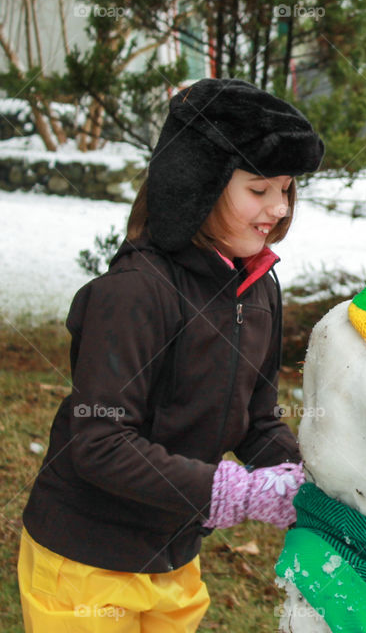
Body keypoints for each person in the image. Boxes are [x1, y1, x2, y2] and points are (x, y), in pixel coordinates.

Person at [18, 78, 323, 632]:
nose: (278, 209)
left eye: (286, 188)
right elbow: (101, 442)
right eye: (259, 190)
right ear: (198, 186)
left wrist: (304, 475)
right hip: (87, 558)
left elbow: (256, 418)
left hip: (174, 553)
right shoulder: (135, 292)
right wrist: (229, 491)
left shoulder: (257, 289)